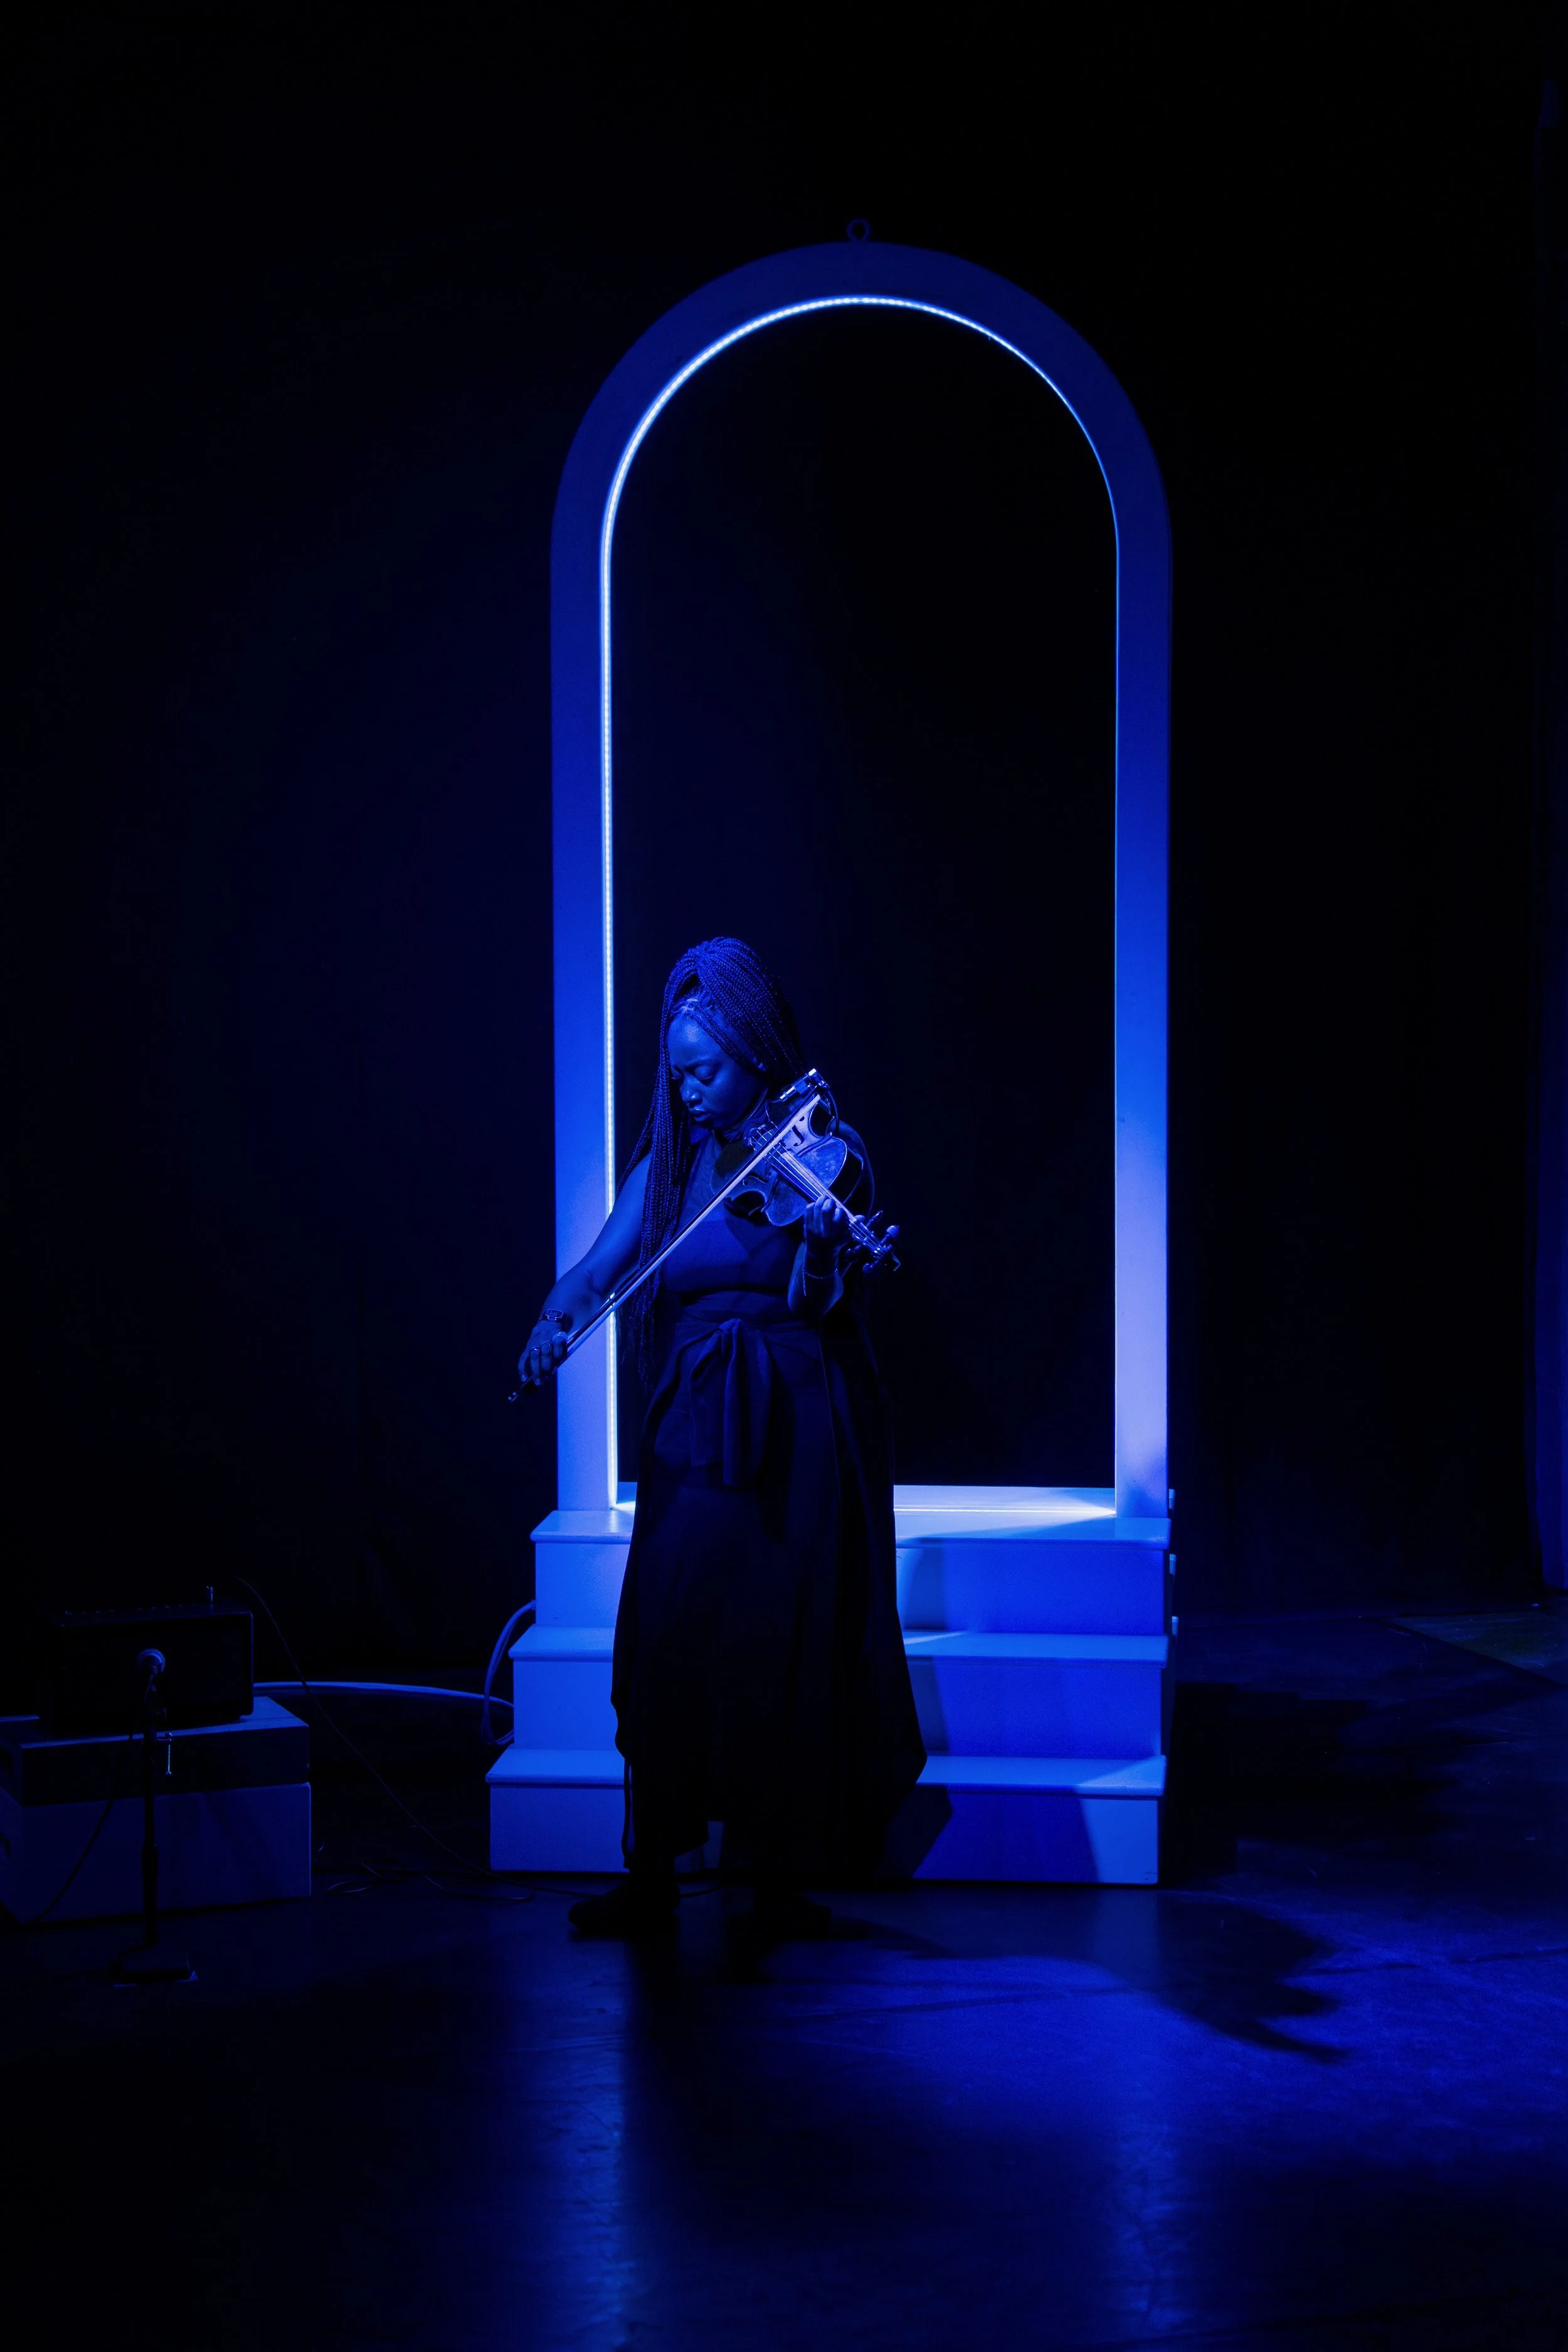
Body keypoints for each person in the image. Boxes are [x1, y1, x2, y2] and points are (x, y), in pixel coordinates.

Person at [517, 936, 924, 1938]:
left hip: (796, 1417)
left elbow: (819, 1299)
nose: (690, 1087)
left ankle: (781, 1879)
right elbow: (598, 1269)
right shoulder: (670, 1164)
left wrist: (828, 1255)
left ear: (757, 1051)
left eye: (707, 1068)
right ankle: (652, 1870)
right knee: (669, 1635)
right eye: (680, 1069)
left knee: (783, 1649)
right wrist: (552, 1317)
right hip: (694, 1424)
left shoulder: (829, 1153)